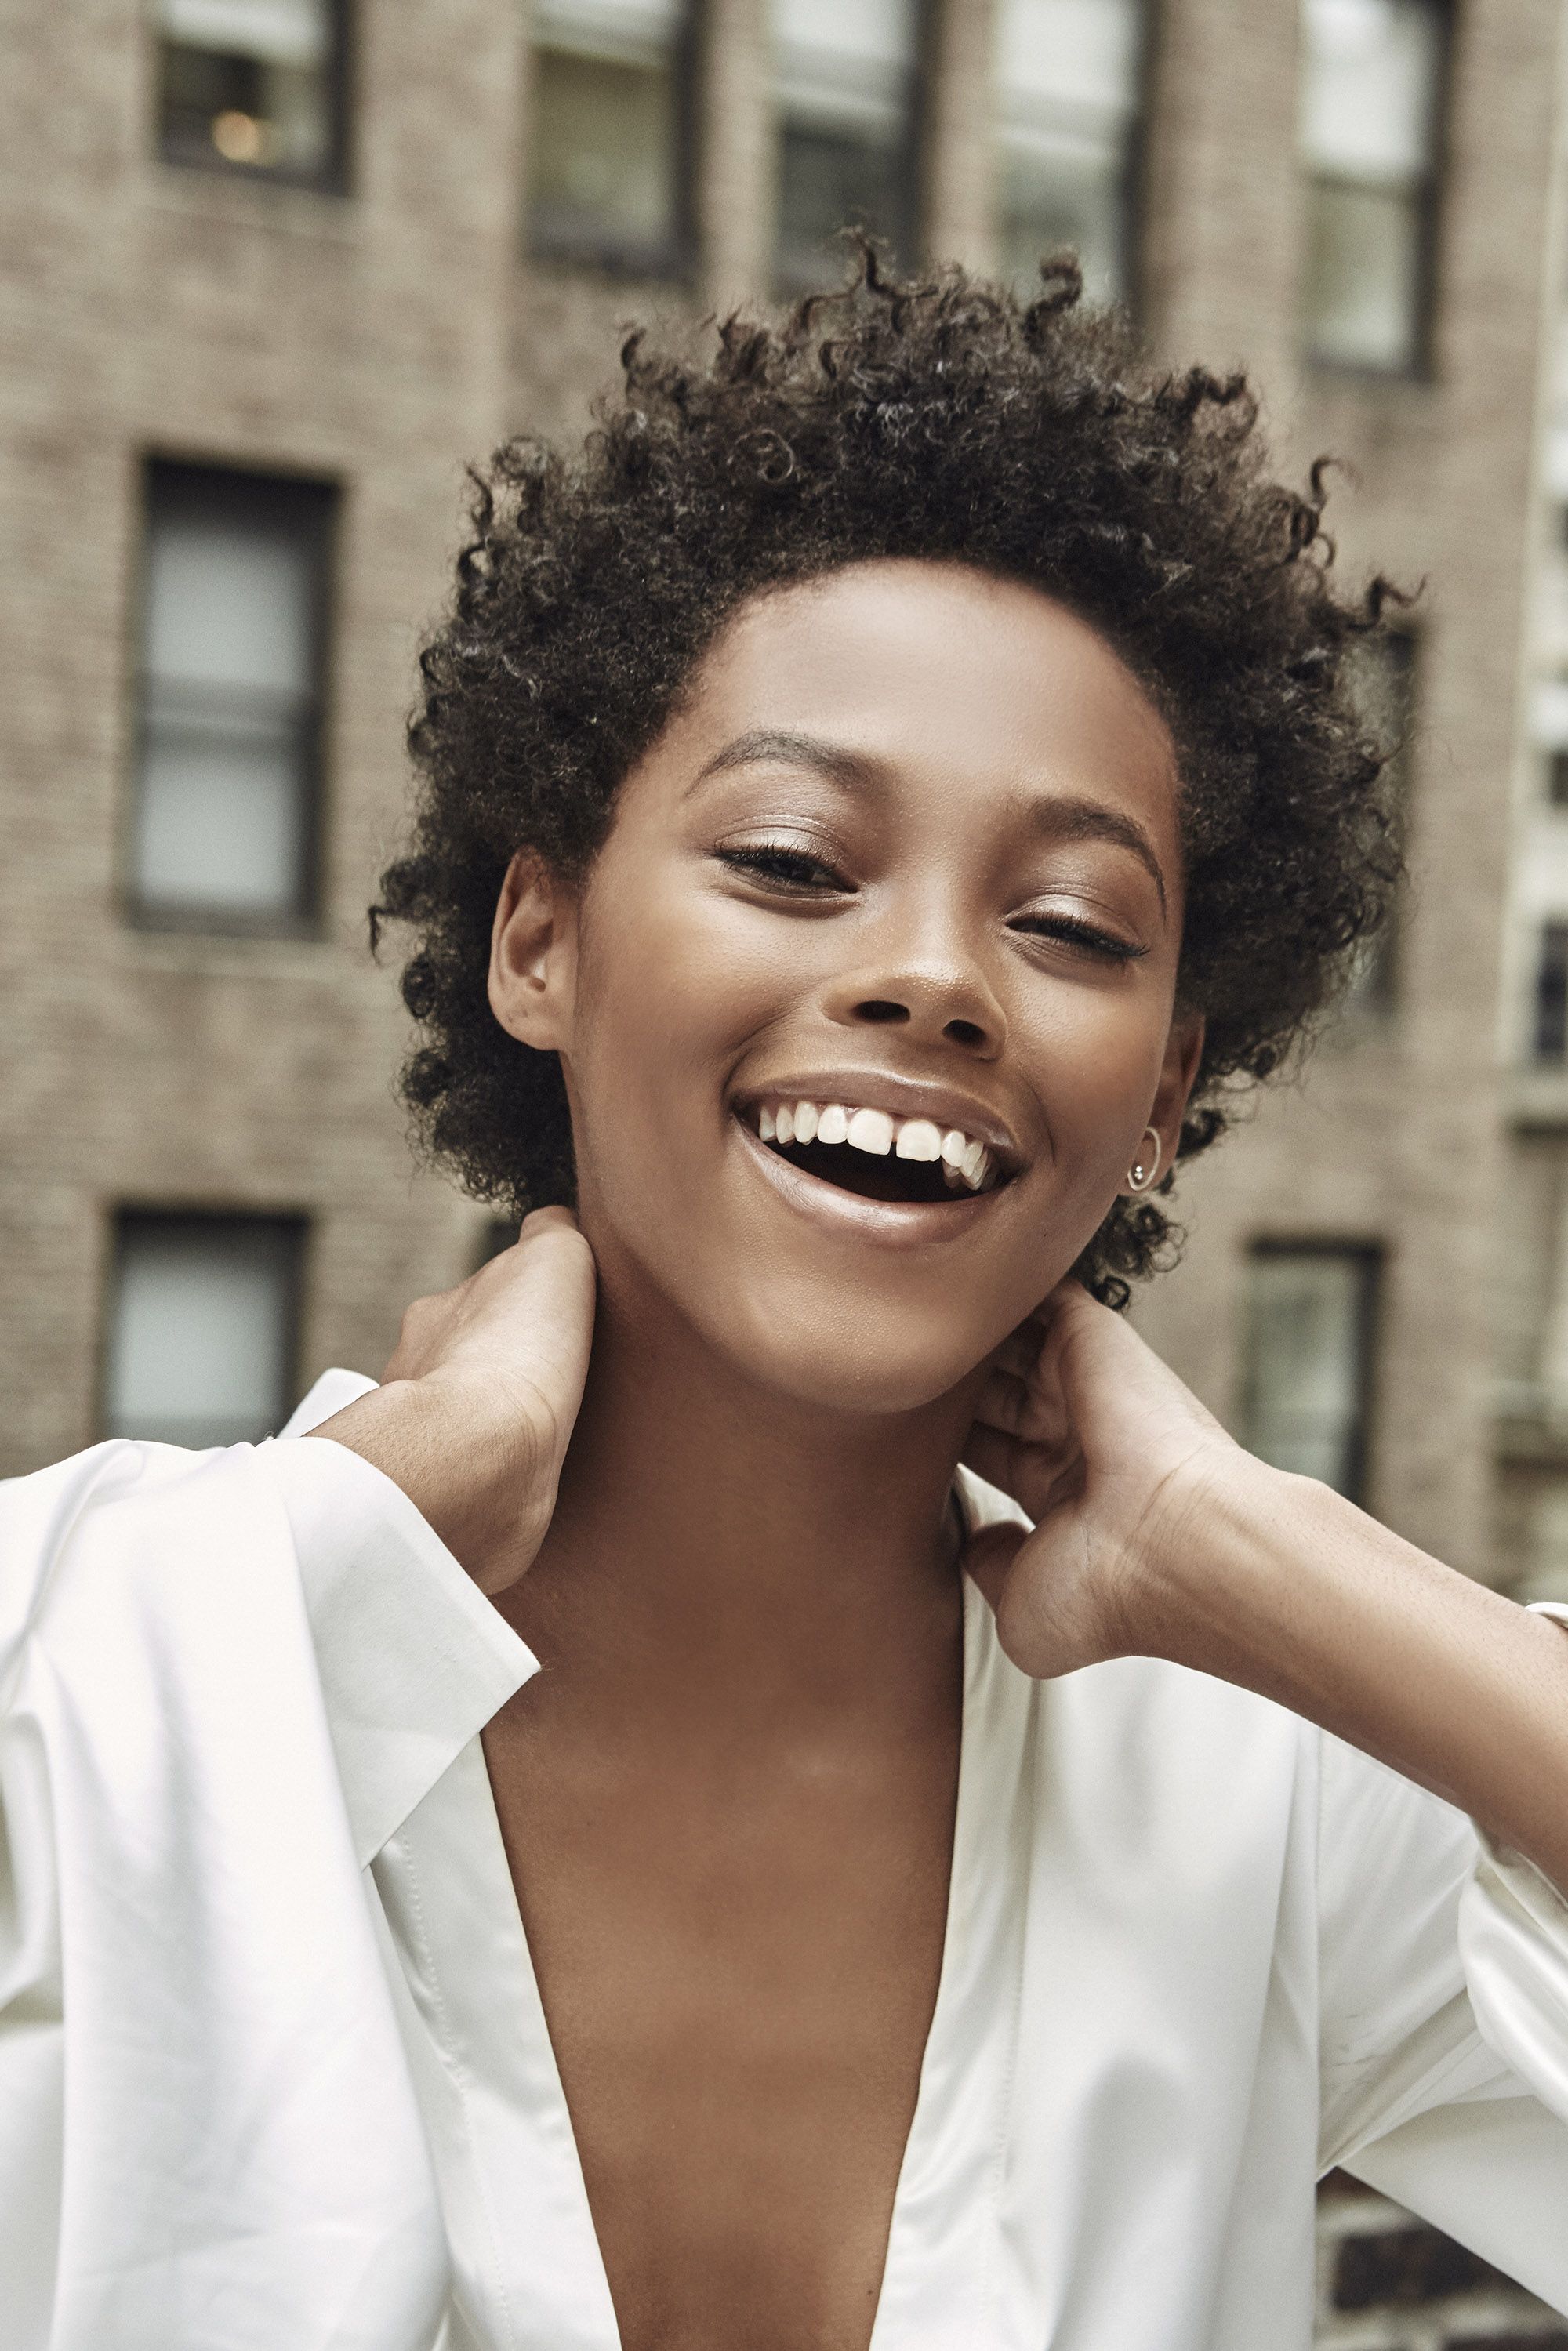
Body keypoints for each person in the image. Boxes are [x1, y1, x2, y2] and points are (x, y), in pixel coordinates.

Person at [5, 251, 1568, 2351]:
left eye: (1071, 922)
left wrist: (1258, 1556)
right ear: (539, 942)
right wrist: (390, 1514)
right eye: (794, 863)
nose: (933, 975)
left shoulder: (1253, 1792)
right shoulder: (113, 1644)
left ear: (1170, 1095)